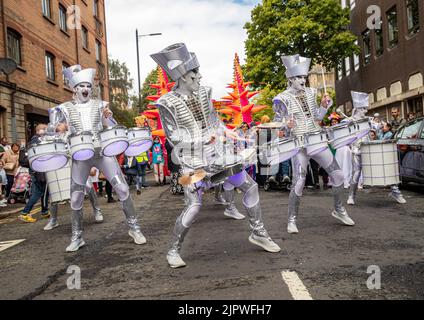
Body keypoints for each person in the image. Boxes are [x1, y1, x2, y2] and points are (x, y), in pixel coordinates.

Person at [151, 43, 280, 268]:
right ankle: (173, 250)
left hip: (217, 154)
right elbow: (174, 140)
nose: (200, 77)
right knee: (193, 205)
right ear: (181, 77)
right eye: (194, 74)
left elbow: (214, 122)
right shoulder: (166, 104)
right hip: (190, 165)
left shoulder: (204, 92)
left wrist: (229, 132)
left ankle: (258, 232)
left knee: (250, 186)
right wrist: (202, 140)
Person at [47, 65, 146, 252]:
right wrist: (59, 128)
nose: (85, 89)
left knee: (123, 189)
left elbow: (112, 126)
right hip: (80, 156)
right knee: (75, 198)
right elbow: (50, 130)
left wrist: (108, 117)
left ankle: (135, 228)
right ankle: (77, 237)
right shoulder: (63, 109)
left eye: (88, 86)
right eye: (81, 86)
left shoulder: (101, 105)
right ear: (74, 89)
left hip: (101, 153)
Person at [272, 54, 355, 234]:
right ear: (290, 79)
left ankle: (339, 209)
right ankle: (292, 219)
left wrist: (325, 107)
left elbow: (316, 118)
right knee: (299, 182)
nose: (303, 80)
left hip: (316, 140)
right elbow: (277, 126)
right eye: (299, 77)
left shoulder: (311, 93)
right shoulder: (281, 99)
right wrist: (287, 126)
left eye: (304, 77)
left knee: (339, 175)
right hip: (298, 144)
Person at [347, 91, 406, 205]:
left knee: (384, 168)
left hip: (369, 150)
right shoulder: (349, 121)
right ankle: (351, 196)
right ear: (357, 109)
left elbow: (381, 125)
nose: (365, 111)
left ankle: (396, 192)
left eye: (365, 108)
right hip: (356, 150)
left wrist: (379, 124)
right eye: (363, 108)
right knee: (356, 173)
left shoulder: (369, 120)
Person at [18, 125, 50, 222]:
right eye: (45, 129)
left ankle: (44, 211)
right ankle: (25, 213)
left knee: (45, 191)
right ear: (39, 131)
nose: (47, 131)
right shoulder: (36, 141)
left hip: (36, 170)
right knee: (38, 193)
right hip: (38, 171)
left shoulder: (34, 140)